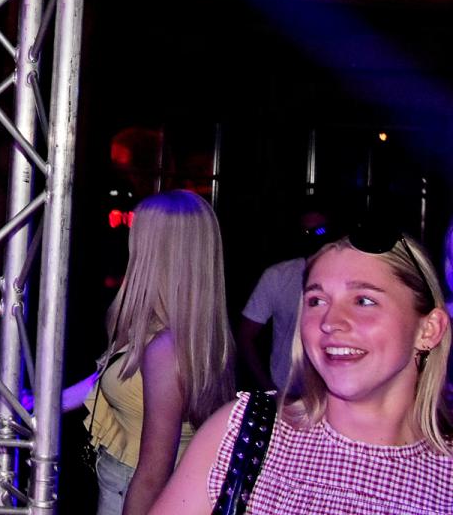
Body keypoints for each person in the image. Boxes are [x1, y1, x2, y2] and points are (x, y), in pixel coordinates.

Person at [151, 229, 453, 514]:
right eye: (316, 301)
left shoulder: (444, 478)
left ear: (428, 330)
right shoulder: (244, 433)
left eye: (364, 301)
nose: (330, 321)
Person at [84, 190, 235, 515]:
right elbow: (120, 380)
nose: (130, 242)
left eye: (139, 234)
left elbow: (153, 474)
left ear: (159, 250)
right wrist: (49, 401)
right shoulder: (171, 327)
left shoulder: (167, 349)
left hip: (134, 491)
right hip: (127, 480)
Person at [237, 205, 331, 391]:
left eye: (320, 231)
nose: (314, 237)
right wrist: (268, 388)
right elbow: (245, 336)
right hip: (287, 391)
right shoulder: (278, 276)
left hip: (332, 391)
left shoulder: (347, 276)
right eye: (306, 232)